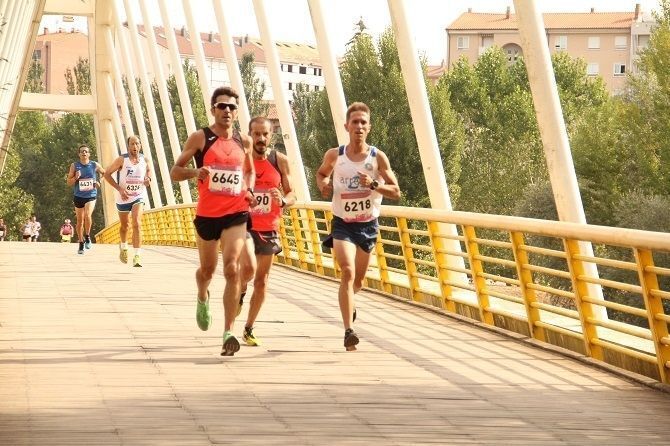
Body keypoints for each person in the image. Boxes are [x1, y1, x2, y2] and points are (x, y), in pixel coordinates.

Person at [170, 86, 255, 357]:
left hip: (236, 212)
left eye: (232, 107)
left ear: (237, 112)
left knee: (232, 269)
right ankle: (202, 295)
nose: (227, 111)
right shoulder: (200, 137)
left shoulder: (244, 141)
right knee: (207, 271)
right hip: (208, 215)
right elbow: (175, 172)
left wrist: (250, 190)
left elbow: (249, 171)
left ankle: (228, 332)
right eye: (222, 106)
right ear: (213, 110)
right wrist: (196, 172)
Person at [315, 102, 401, 351]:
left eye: (364, 122)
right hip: (343, 224)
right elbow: (321, 174)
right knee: (347, 271)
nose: (359, 127)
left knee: (359, 281)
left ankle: (350, 302)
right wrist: (324, 185)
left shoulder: (377, 157)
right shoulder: (335, 155)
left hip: (367, 225)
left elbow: (396, 191)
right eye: (355, 122)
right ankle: (348, 331)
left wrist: (373, 185)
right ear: (347, 126)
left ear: (369, 127)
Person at [237, 117, 296, 347]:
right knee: (248, 270)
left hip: (269, 228)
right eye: (256, 134)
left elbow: (292, 194)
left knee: (261, 281)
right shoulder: (241, 160)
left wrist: (283, 200)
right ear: (249, 135)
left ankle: (249, 328)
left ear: (271, 136)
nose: (261, 138)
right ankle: (241, 291)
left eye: (265, 134)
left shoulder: (279, 161)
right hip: (244, 225)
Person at [103, 135, 152, 267]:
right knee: (125, 226)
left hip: (138, 196)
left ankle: (137, 256)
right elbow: (107, 174)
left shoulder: (144, 159)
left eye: (137, 144)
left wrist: (148, 179)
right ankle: (124, 247)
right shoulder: (122, 160)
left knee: (137, 223)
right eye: (132, 144)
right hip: (123, 197)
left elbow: (148, 170)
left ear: (140, 145)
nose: (135, 146)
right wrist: (119, 189)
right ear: (128, 146)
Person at [66, 144, 105, 254]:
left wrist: (99, 182)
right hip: (78, 196)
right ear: (79, 154)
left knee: (87, 215)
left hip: (91, 195)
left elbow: (105, 173)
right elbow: (68, 182)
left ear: (89, 154)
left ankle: (87, 236)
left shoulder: (94, 165)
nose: (84, 153)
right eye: (82, 151)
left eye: (86, 151)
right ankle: (81, 242)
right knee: (79, 221)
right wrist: (75, 177)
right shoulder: (74, 166)